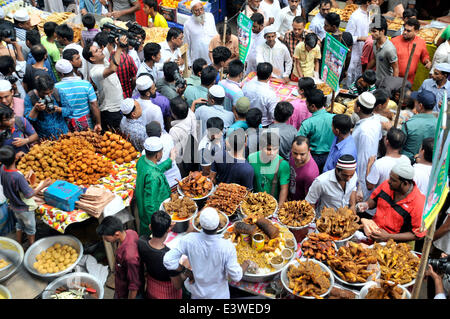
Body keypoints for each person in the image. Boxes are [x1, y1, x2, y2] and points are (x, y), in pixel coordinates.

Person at [164, 207, 251, 299]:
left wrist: (186, 271)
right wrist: (246, 264)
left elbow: (168, 260)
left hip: (197, 295)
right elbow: (236, 277)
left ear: (200, 224)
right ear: (218, 225)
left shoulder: (189, 240)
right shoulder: (227, 247)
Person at [359, 162, 427, 243]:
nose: (389, 181)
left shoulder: (418, 203)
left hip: (394, 245)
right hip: (373, 235)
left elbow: (417, 235)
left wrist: (389, 236)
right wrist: (366, 205)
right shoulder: (387, 185)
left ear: (405, 183)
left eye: (393, 180)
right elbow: (374, 200)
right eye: (390, 177)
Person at [0, 145, 52, 246]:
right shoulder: (18, 176)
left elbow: (13, 184)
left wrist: (24, 181)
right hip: (24, 208)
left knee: (19, 224)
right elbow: (29, 195)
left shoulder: (2, 169)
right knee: (30, 228)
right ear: (16, 157)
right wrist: (43, 185)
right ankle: (31, 245)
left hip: (13, 205)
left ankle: (18, 242)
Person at [137, 210, 184, 299]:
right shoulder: (169, 258)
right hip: (169, 294)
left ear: (150, 227)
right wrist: (185, 273)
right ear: (168, 229)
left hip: (151, 289)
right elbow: (178, 285)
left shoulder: (141, 242)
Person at [96, 216, 144, 299]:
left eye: (105, 236)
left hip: (127, 293)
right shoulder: (130, 232)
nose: (104, 238)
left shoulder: (130, 257)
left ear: (117, 234)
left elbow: (134, 286)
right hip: (120, 283)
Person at [83, 37, 126, 132]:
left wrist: (115, 39)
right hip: (110, 111)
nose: (100, 50)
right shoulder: (95, 71)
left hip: (118, 107)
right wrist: (119, 48)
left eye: (98, 49)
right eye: (96, 51)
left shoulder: (103, 60)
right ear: (92, 58)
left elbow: (109, 47)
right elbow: (112, 69)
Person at [136, 136, 175, 236]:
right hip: (152, 217)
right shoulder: (153, 177)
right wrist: (156, 224)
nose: (162, 153)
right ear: (157, 155)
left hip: (142, 209)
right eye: (162, 152)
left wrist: (170, 160)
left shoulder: (141, 160)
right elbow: (150, 204)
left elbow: (154, 169)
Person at [54, 59, 101, 133]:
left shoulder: (56, 87)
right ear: (72, 69)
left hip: (67, 123)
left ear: (61, 74)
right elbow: (94, 105)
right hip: (86, 122)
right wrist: (98, 123)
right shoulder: (86, 85)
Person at [352, 91, 382, 200]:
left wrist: (359, 186)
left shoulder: (365, 131)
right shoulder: (375, 121)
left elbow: (363, 159)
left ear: (358, 108)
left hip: (361, 177)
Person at [248, 131, 290, 207]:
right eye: (269, 149)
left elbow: (284, 189)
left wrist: (279, 208)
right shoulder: (251, 158)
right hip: (254, 202)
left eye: (275, 149)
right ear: (261, 147)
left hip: (272, 205)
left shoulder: (283, 165)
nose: (272, 153)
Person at [24, 74, 72, 139]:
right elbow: (27, 121)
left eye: (50, 92)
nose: (49, 95)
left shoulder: (57, 92)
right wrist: (35, 109)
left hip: (63, 133)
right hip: (44, 137)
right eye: (45, 93)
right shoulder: (30, 97)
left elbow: (70, 111)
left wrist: (58, 109)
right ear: (38, 90)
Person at [298, 88, 335, 173]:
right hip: (329, 156)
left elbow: (299, 142)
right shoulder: (334, 118)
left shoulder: (307, 123)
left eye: (307, 104)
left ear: (313, 106)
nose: (306, 106)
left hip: (313, 157)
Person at [366, 128, 410, 195]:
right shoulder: (406, 160)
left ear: (387, 141)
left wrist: (369, 166)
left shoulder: (379, 164)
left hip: (382, 200)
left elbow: (369, 186)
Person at [391, 18, 430, 86]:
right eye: (404, 29)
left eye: (408, 31)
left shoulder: (421, 42)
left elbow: (424, 56)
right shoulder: (394, 42)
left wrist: (427, 62)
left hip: (409, 81)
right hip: (393, 79)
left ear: (416, 31)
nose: (405, 32)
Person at [401, 90, 438, 162]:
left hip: (408, 162)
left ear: (420, 106)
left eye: (416, 102)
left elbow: (399, 147)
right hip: (430, 165)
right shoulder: (440, 126)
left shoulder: (408, 124)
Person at [345, 0, 374, 88]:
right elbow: (347, 37)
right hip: (356, 53)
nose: (378, 3)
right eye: (375, 1)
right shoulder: (355, 16)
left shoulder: (373, 14)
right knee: (352, 81)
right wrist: (361, 38)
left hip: (367, 54)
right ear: (368, 3)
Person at [168, 96, 199, 176]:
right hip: (195, 153)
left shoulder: (174, 131)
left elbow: (177, 154)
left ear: (174, 114)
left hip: (184, 161)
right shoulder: (191, 114)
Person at [146, 121, 181, 188]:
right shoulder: (168, 138)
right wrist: (171, 158)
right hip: (172, 179)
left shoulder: (145, 151)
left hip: (165, 182)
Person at [242, 62, 279, 127]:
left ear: (256, 73)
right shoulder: (270, 94)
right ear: (270, 76)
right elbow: (273, 114)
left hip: (248, 120)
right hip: (264, 124)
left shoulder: (246, 85)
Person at [184, 0, 218, 67]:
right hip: (198, 60)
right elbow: (186, 45)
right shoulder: (188, 24)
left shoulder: (210, 17)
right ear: (192, 12)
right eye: (197, 10)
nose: (200, 12)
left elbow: (215, 35)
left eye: (201, 9)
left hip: (211, 57)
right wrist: (189, 63)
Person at [367, 15, 399, 83]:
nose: (371, 34)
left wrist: (392, 86)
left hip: (386, 84)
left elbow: (395, 69)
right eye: (371, 31)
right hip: (376, 81)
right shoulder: (375, 42)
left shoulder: (390, 49)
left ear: (382, 31)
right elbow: (375, 59)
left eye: (374, 31)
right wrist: (365, 73)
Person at [289, 136, 319, 200]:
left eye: (302, 154)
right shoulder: (291, 154)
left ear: (309, 151)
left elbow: (310, 200)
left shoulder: (310, 174)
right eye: (295, 153)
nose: (298, 157)